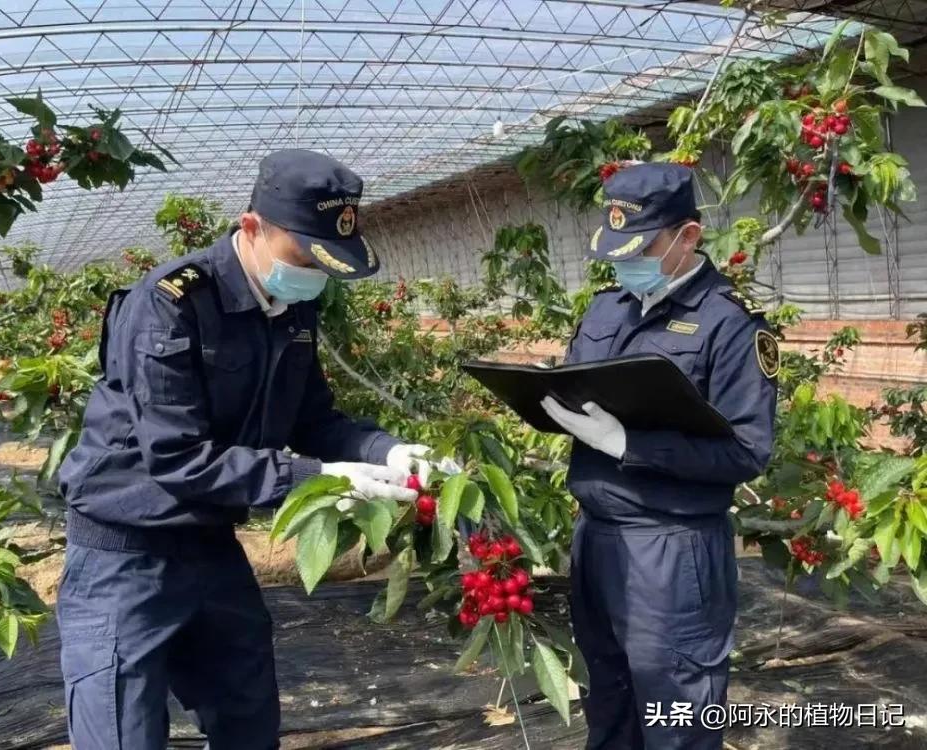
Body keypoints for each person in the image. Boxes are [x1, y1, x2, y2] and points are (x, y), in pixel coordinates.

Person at [56, 148, 446, 749]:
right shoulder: (170, 305)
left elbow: (314, 418)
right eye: (304, 257)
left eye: (327, 263)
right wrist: (321, 477)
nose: (314, 276)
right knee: (122, 731)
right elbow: (177, 458)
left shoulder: (293, 307)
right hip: (124, 554)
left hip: (209, 544)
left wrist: (389, 450)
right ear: (252, 228)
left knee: (248, 717)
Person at [540, 163, 778, 749]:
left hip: (671, 548)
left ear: (688, 237)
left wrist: (630, 445)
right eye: (615, 250)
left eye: (640, 248)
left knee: (678, 710)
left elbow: (747, 451)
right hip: (596, 537)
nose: (625, 263)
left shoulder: (729, 325)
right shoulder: (606, 309)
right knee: (610, 697)